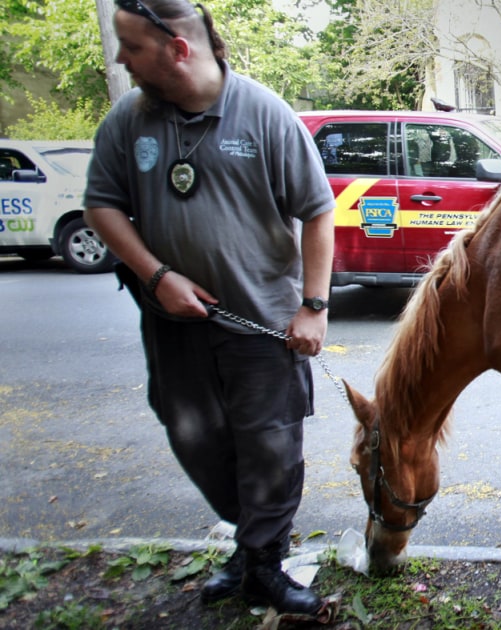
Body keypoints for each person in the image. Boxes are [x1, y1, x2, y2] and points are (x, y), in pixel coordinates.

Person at [83, 0, 335, 616]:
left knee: (271, 447)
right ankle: (251, 546)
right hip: (174, 322)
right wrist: (157, 274)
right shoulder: (128, 119)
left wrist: (314, 306)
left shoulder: (265, 114)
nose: (121, 60)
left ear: (178, 49)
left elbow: (318, 211)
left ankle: (264, 564)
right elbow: (102, 206)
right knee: (193, 438)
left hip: (262, 324)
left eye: (132, 47)